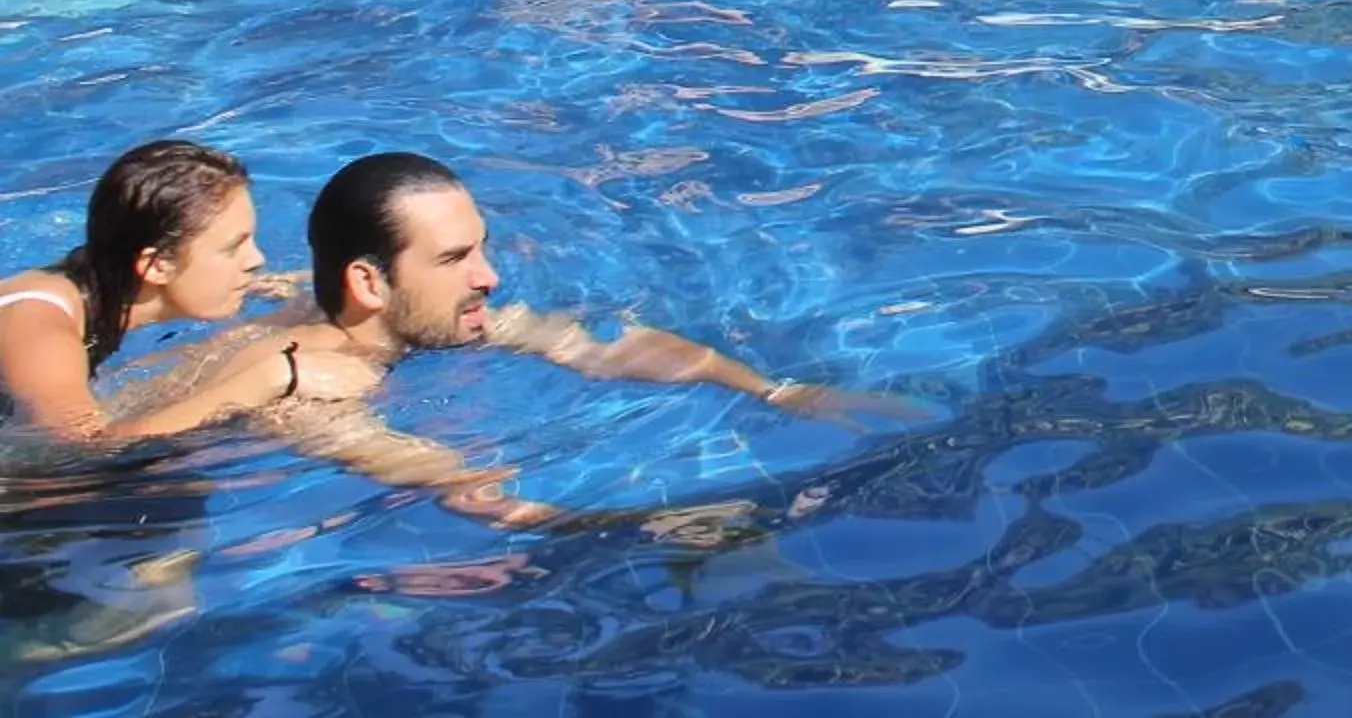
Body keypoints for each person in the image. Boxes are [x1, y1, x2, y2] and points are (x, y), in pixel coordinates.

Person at [156, 154, 888, 531]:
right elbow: (464, 491)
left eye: (481, 249)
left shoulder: (369, 305)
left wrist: (776, 392)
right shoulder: (316, 385)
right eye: (452, 261)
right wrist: (644, 524)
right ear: (368, 284)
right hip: (124, 486)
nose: (490, 277)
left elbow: (600, 348)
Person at [0, 141, 352, 442]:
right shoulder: (43, 331)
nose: (257, 259)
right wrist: (270, 379)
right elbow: (85, 448)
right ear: (156, 266)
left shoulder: (99, 282)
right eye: (233, 248)